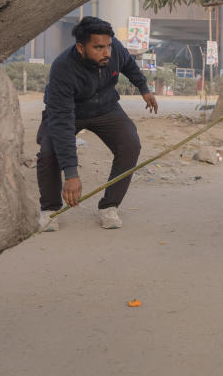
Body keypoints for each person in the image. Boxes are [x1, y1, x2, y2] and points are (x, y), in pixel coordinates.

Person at [36, 17, 157, 232]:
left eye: (108, 46)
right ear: (81, 48)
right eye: (99, 48)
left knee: (130, 145)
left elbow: (128, 65)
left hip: (105, 107)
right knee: (48, 151)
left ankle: (109, 206)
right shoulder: (62, 68)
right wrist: (71, 174)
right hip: (69, 111)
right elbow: (62, 122)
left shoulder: (115, 49)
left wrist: (144, 88)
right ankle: (50, 209)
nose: (107, 53)